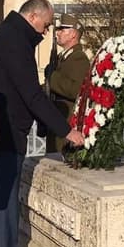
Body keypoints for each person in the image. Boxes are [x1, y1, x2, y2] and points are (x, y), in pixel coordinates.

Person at [0, 0, 85, 247]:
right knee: (4, 207)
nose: (47, 31)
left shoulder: (3, 34)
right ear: (33, 16)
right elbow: (32, 95)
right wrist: (67, 130)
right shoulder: (15, 42)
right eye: (47, 24)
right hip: (6, 133)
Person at [44, 13, 90, 153]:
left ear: (73, 34)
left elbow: (75, 90)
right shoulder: (62, 58)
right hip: (57, 120)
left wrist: (51, 77)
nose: (58, 33)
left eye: (62, 30)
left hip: (67, 122)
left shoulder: (78, 58)